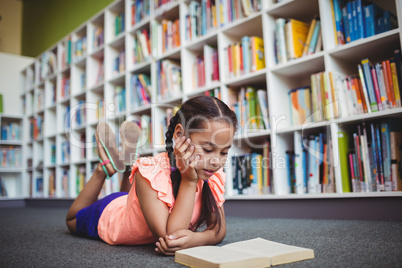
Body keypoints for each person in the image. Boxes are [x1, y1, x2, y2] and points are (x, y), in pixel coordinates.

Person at [65, 96, 238, 255]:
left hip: (136, 203)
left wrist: (197, 238)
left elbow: (218, 229)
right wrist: (189, 180)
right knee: (72, 221)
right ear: (179, 135)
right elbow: (172, 236)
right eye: (208, 149)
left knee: (131, 199)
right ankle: (103, 170)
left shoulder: (212, 175)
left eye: (224, 152)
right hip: (110, 213)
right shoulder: (150, 170)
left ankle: (126, 167)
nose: (216, 161)